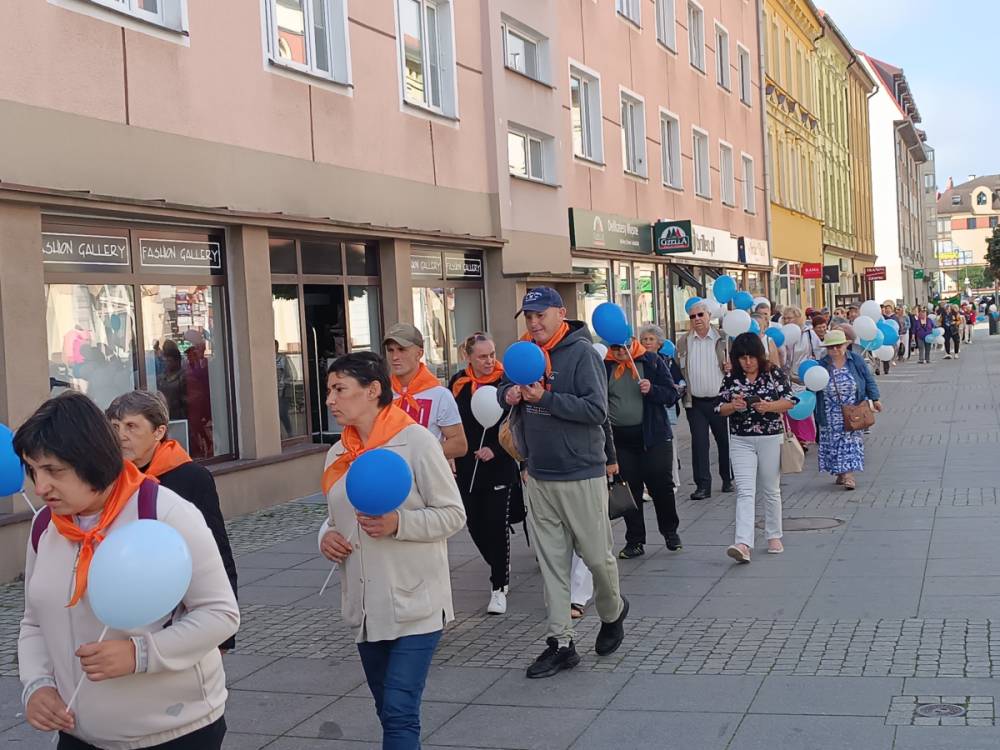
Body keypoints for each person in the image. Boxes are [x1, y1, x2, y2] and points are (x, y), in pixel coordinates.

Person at [15, 392, 238, 749]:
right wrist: (37, 685)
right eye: (33, 470)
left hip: (172, 732)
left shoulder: (165, 512)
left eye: (54, 471)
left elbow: (220, 614)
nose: (40, 487)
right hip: (79, 733)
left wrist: (140, 654)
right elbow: (34, 622)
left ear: (92, 460)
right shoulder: (45, 526)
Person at [319, 352, 465, 747]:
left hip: (416, 604)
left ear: (372, 390)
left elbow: (453, 514)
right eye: (329, 390)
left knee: (400, 712)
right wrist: (325, 537)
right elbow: (335, 518)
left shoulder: (416, 441)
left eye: (339, 389)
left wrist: (400, 523)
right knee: (387, 710)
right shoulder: (339, 452)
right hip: (366, 608)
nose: (330, 400)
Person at [497, 287, 628, 679]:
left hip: (580, 473)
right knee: (553, 565)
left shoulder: (582, 353)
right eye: (528, 316)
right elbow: (502, 388)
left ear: (560, 313)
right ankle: (561, 643)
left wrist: (546, 398)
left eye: (540, 315)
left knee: (597, 558)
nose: (534, 323)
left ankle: (612, 611)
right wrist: (509, 394)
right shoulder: (523, 352)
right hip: (538, 474)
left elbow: (596, 410)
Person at [106, 390, 238, 650]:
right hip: (125, 605)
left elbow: (218, 553)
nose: (121, 436)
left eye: (131, 426)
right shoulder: (108, 479)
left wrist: (223, 638)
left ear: (159, 432)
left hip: (179, 606)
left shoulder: (191, 478)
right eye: (115, 427)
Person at [448, 332, 520, 615]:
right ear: (468, 357)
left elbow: (517, 424)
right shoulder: (458, 383)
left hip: (499, 467)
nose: (489, 361)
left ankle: (498, 586)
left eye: (492, 354)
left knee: (496, 525)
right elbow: (450, 422)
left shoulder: (507, 383)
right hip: (467, 466)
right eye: (482, 356)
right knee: (475, 525)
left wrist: (496, 450)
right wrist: (451, 454)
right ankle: (499, 564)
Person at [717, 334, 795, 563]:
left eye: (751, 357)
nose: (748, 362)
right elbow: (719, 408)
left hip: (770, 436)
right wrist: (734, 406)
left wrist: (769, 406)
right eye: (743, 358)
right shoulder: (731, 376)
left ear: (759, 355)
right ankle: (743, 542)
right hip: (741, 438)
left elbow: (790, 401)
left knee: (771, 488)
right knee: (745, 490)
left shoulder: (773, 373)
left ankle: (774, 535)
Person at [604, 337, 681, 559]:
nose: (621, 352)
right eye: (615, 348)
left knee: (661, 486)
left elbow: (671, 394)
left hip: (653, 436)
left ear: (632, 342)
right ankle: (635, 540)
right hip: (621, 440)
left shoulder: (651, 361)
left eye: (624, 347)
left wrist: (652, 389)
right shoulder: (605, 366)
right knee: (629, 490)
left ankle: (670, 532)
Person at [383, 323, 468, 459]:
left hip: (424, 472)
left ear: (419, 353)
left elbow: (459, 445)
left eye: (401, 349)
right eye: (390, 350)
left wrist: (419, 457)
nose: (395, 357)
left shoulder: (439, 395)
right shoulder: (379, 393)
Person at [676, 300, 734, 500]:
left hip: (720, 400)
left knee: (724, 440)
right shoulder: (683, 342)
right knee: (699, 443)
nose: (697, 319)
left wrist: (731, 367)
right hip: (696, 402)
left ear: (709, 316)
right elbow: (678, 369)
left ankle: (727, 478)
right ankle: (702, 485)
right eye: (693, 316)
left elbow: (737, 365)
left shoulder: (723, 338)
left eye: (701, 315)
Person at [816, 329, 882, 490]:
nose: (835, 350)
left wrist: (875, 398)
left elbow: (868, 379)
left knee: (849, 441)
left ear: (845, 345)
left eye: (838, 346)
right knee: (833, 443)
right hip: (830, 410)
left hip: (853, 408)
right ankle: (841, 472)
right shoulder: (822, 364)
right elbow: (814, 385)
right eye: (831, 347)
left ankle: (848, 475)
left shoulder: (855, 360)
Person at [638, 324, 684, 491]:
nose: (647, 342)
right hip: (645, 413)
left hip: (666, 410)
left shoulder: (666, 361)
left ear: (659, 343)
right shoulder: (637, 362)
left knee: (669, 447)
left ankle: (673, 481)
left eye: (651, 339)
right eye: (644, 339)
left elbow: (677, 384)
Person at [780, 306, 818, 449]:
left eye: (790, 318)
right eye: (785, 318)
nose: (787, 321)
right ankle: (792, 437)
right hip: (785, 375)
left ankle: (803, 438)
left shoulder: (808, 333)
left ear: (798, 318)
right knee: (788, 406)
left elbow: (819, 350)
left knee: (801, 405)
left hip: (802, 375)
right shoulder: (782, 334)